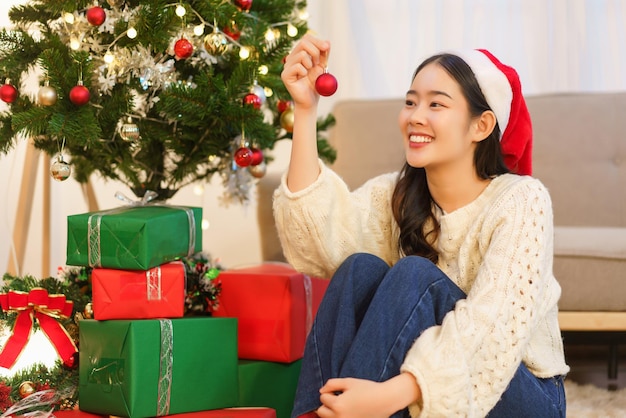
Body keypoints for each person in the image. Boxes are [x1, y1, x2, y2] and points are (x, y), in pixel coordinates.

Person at [275, 33, 570, 418]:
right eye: (411, 102)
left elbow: (491, 332)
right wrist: (305, 110)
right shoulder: (392, 195)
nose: (416, 116)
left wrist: (389, 396)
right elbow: (318, 246)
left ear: (481, 126)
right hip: (421, 393)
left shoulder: (522, 199)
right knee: (358, 269)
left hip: (522, 397)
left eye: (436, 104)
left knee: (415, 273)